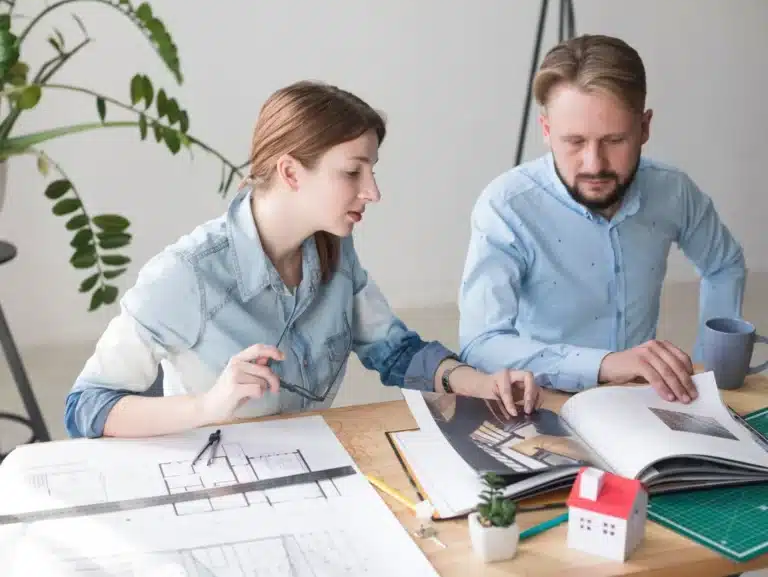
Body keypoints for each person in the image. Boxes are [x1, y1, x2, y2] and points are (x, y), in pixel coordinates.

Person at [64, 80, 542, 440]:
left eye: (372, 170)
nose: (372, 192)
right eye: (353, 171)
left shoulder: (335, 250)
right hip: (211, 485)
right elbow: (87, 406)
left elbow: (393, 350)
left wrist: (476, 382)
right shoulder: (186, 275)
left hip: (310, 467)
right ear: (291, 171)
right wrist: (208, 405)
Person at [458, 34, 745, 404]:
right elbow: (480, 343)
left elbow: (724, 264)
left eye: (614, 140)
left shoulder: (673, 191)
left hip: (643, 401)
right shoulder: (506, 206)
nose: (594, 164)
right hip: (542, 401)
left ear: (644, 128)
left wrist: (711, 369)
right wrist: (606, 364)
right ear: (546, 131)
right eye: (574, 141)